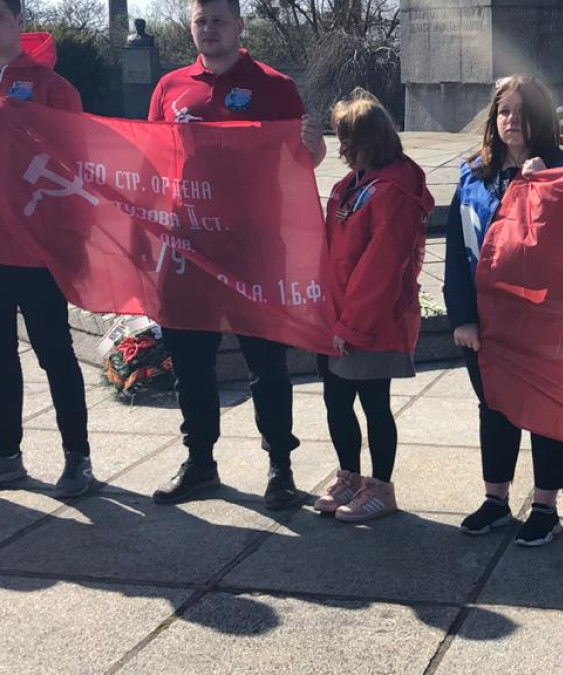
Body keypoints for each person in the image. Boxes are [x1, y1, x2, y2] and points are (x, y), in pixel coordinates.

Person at [147, 0, 326, 509]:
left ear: (240, 26)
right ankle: (200, 462)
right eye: (200, 21)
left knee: (266, 363)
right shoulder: (170, 87)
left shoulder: (274, 86)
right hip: (189, 244)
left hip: (255, 247)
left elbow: (302, 160)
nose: (209, 29)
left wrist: (314, 147)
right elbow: (154, 158)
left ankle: (280, 466)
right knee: (191, 363)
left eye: (218, 21)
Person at [0, 2, 94, 497]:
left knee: (55, 353)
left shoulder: (54, 88)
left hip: (34, 247)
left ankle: (78, 458)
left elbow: (77, 166)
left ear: (19, 20)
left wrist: (73, 242)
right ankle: (5, 455)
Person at [444, 75, 563, 547]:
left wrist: (547, 186)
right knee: (495, 407)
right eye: (504, 111)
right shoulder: (474, 173)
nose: (512, 120)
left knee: (548, 411)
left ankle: (545, 505)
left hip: (546, 322)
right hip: (486, 322)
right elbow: (456, 249)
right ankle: (496, 499)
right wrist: (462, 316)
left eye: (523, 112)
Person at [312, 90, 433, 523]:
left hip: (372, 321)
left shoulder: (393, 191)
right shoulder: (347, 187)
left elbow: (381, 266)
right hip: (338, 318)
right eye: (339, 136)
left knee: (374, 404)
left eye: (349, 138)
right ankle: (349, 476)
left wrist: (352, 325)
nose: (342, 147)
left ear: (373, 140)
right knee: (336, 401)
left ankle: (381, 487)